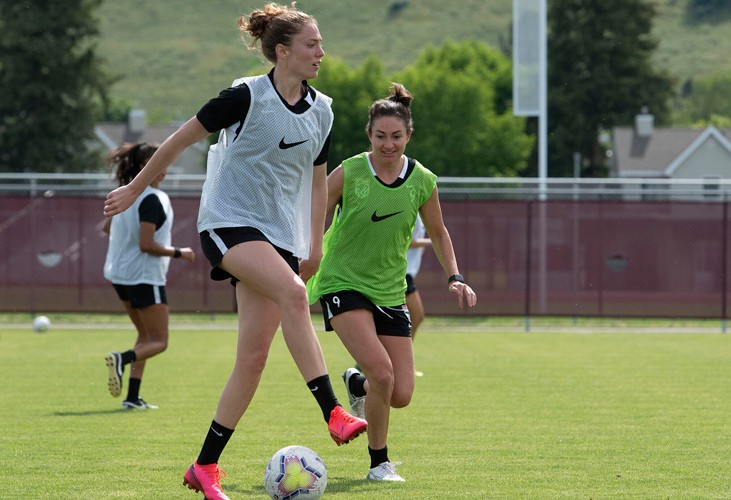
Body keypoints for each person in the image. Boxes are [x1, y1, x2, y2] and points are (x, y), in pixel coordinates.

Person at [103, 4, 367, 499]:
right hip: (228, 224)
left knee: (252, 359)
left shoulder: (323, 110)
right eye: (312, 44)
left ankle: (204, 466)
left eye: (321, 43)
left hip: (282, 238)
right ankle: (333, 410)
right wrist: (137, 188)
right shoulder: (246, 96)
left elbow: (316, 183)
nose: (321, 52)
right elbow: (180, 138)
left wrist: (312, 243)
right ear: (283, 51)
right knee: (293, 293)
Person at [308, 82, 477, 482]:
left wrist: (455, 276)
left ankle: (357, 384)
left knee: (399, 394)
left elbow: (438, 232)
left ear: (409, 135)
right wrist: (304, 255)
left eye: (396, 136)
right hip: (341, 281)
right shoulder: (349, 171)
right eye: (380, 136)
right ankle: (379, 464)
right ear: (369, 135)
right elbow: (314, 208)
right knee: (383, 374)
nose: (388, 144)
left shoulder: (422, 180)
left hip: (390, 289)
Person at [103, 142, 196, 410]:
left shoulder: (124, 194)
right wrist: (180, 252)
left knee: (145, 337)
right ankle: (121, 359)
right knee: (159, 342)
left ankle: (132, 397)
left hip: (119, 276)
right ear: (145, 167)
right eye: (159, 162)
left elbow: (109, 227)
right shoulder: (153, 198)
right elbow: (147, 244)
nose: (164, 168)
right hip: (144, 276)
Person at [405, 215, 431, 376]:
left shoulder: (422, 214)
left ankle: (403, 364)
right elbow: (406, 241)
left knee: (413, 317)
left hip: (407, 273)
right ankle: (404, 365)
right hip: (402, 273)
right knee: (417, 316)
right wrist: (432, 241)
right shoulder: (412, 211)